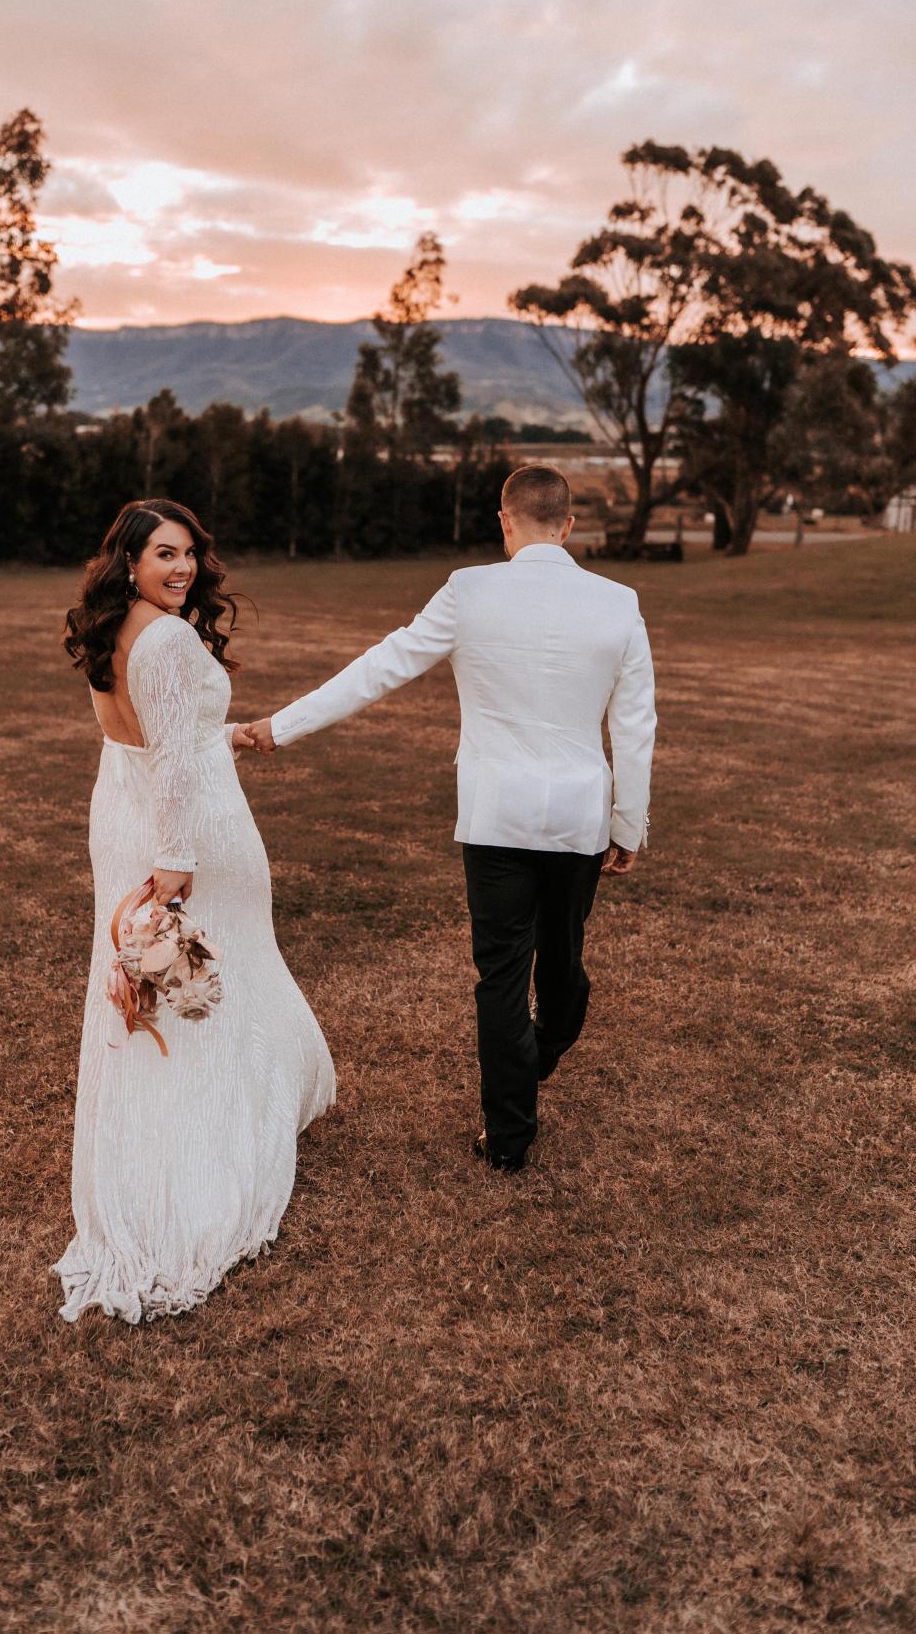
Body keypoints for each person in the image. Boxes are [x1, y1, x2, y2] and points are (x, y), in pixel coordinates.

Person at [246, 465, 655, 1174]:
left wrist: (283, 726)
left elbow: (381, 667)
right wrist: (629, 823)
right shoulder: (618, 603)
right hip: (577, 819)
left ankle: (518, 1107)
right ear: (568, 525)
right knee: (553, 965)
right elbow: (637, 725)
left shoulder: (469, 591)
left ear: (505, 519)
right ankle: (517, 1115)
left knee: (507, 976)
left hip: (496, 817)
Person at [51, 499, 335, 1323]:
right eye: (163, 555)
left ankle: (159, 1135)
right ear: (128, 562)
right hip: (185, 832)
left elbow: (154, 732)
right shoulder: (171, 639)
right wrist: (177, 863)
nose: (181, 569)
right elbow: (172, 753)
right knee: (208, 981)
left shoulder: (117, 627)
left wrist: (227, 730)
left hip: (125, 812)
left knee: (150, 990)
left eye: (188, 555)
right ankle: (204, 1161)